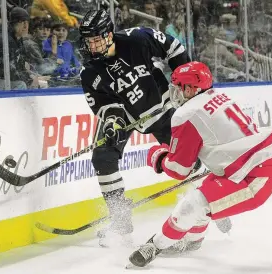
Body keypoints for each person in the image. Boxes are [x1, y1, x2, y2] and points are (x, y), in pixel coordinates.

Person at [128, 61, 272, 267]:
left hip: (254, 177)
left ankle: (155, 246)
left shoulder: (186, 113)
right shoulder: (218, 96)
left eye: (178, 88)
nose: (175, 94)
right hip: (252, 165)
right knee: (200, 194)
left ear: (191, 89)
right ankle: (192, 241)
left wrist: (157, 156)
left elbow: (179, 170)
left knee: (194, 203)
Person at [78, 9, 191, 245]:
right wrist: (112, 121)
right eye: (89, 41)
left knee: (189, 161)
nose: (93, 45)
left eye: (97, 39)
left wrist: (184, 82)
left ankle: (203, 208)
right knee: (102, 157)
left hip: (161, 107)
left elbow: (174, 48)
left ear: (109, 34)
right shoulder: (89, 71)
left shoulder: (137, 39)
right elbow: (103, 105)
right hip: (127, 115)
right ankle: (121, 223)